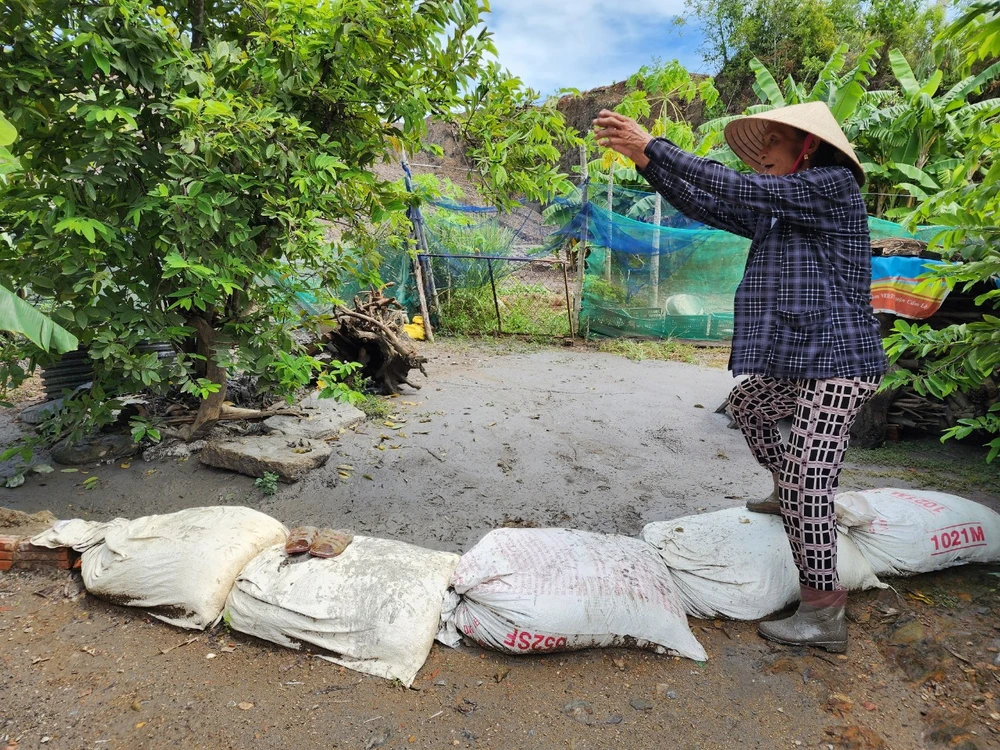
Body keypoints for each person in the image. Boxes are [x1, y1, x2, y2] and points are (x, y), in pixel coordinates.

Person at [593, 101, 887, 653]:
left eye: (774, 142)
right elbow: (710, 203)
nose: (764, 154)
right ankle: (791, 493)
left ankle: (824, 613)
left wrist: (655, 144)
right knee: (749, 405)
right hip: (802, 361)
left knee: (809, 480)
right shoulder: (780, 206)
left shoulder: (831, 186)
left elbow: (735, 187)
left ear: (808, 147)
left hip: (840, 363)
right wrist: (644, 162)